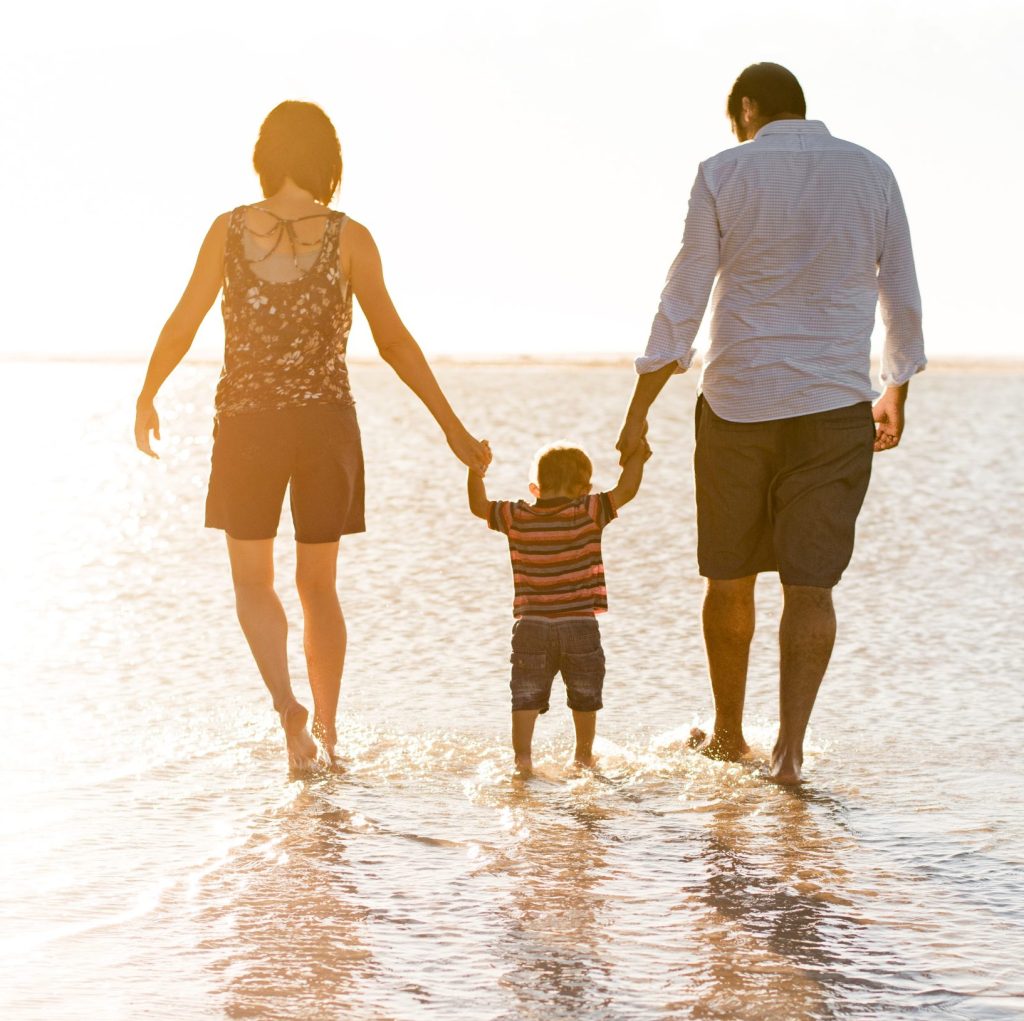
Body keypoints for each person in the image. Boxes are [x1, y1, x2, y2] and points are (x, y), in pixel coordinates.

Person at [134, 101, 490, 770]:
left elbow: (184, 320)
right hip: (326, 423)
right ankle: (327, 732)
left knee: (251, 580)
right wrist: (453, 427)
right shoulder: (351, 238)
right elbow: (395, 342)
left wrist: (148, 392)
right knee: (318, 585)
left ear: (265, 155)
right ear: (329, 160)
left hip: (247, 423)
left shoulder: (228, 230)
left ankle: (287, 711)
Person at [617, 63, 925, 784]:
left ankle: (728, 734)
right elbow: (901, 290)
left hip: (737, 405)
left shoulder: (723, 172)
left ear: (748, 107)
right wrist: (896, 388)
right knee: (810, 589)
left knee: (729, 579)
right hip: (833, 407)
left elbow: (683, 296)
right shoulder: (872, 172)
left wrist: (638, 410)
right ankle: (788, 754)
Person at [468, 441, 650, 772]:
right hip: (579, 624)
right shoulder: (589, 511)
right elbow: (628, 489)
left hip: (532, 626)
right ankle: (583, 755)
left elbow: (479, 506)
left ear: (535, 487)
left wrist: (475, 469)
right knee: (584, 692)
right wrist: (637, 457)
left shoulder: (516, 516)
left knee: (525, 693)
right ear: (584, 489)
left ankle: (523, 759)